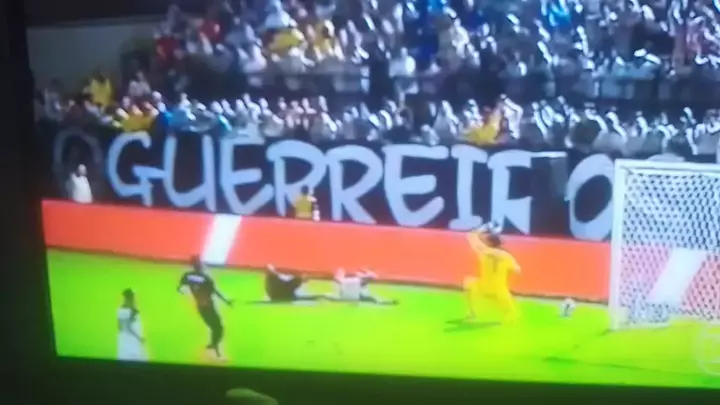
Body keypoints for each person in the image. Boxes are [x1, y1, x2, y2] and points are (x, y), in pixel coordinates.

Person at [178, 257, 233, 361]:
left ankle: (213, 346)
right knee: (218, 328)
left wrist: (190, 295)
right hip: (208, 306)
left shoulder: (187, 276)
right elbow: (215, 292)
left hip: (200, 307)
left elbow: (180, 288)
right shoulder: (206, 278)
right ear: (199, 265)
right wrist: (226, 301)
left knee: (214, 327)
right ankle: (216, 352)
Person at [464, 223, 521, 324]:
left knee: (468, 282)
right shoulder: (507, 256)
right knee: (509, 308)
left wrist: (485, 227)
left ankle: (472, 312)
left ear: (489, 243)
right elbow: (517, 270)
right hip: (500, 291)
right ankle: (508, 314)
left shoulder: (483, 251)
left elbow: (470, 235)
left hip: (484, 286)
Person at [331, 268, 398, 305]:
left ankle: (390, 302)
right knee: (374, 299)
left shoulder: (359, 280)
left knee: (374, 299)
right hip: (359, 296)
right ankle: (390, 302)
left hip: (360, 296)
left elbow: (373, 276)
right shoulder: (356, 280)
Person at [117, 289, 147, 362]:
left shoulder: (128, 308)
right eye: (132, 297)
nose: (134, 298)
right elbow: (128, 328)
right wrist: (139, 338)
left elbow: (120, 327)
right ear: (128, 298)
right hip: (131, 341)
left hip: (129, 340)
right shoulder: (124, 310)